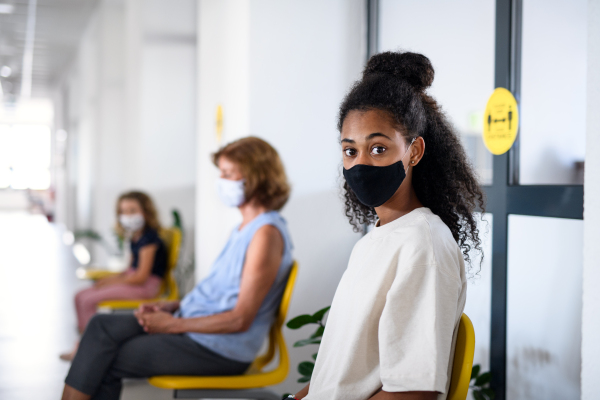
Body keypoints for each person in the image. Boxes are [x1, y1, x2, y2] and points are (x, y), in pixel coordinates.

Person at [293, 52, 485, 400]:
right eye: (350, 151)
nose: (361, 163)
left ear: (414, 151)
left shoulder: (423, 245)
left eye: (378, 148)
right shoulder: (377, 239)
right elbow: (341, 370)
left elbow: (413, 393)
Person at [61, 137, 294, 400]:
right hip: (195, 331)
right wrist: (170, 306)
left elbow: (240, 319)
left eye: (228, 174)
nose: (221, 181)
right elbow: (219, 296)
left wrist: (172, 324)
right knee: (100, 326)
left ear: (255, 177)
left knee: (103, 357)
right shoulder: (244, 229)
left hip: (220, 349)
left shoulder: (266, 235)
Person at [60, 191, 168, 361]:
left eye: (132, 211)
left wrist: (112, 282)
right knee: (79, 296)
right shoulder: (135, 237)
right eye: (123, 212)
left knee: (88, 300)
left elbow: (140, 277)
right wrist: (109, 279)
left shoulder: (150, 239)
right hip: (133, 281)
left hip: (145, 287)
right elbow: (130, 269)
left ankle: (88, 349)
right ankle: (82, 344)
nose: (127, 216)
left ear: (146, 212)